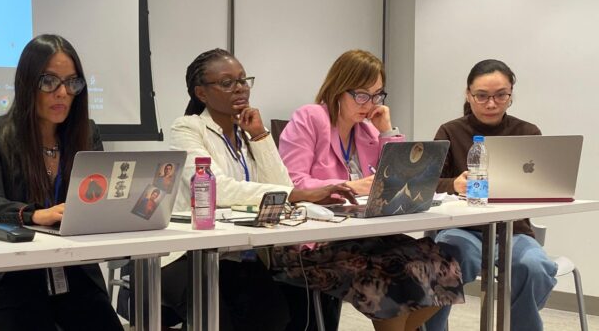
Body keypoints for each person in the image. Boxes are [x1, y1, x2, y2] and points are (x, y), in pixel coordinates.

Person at [153, 48, 355, 331]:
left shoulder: (247, 134)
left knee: (275, 317)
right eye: (227, 83)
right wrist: (296, 194)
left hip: (236, 254)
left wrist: (260, 136)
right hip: (187, 255)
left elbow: (282, 186)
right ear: (201, 94)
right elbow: (218, 189)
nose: (240, 89)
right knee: (219, 321)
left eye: (243, 80)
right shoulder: (187, 129)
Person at [275, 49, 464, 331]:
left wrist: (386, 130)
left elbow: (401, 175)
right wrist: (348, 186)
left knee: (442, 264)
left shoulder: (366, 130)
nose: (369, 103)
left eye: (377, 95)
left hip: (363, 233)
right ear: (339, 88)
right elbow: (291, 182)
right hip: (315, 239)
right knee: (391, 275)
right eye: (361, 95)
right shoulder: (310, 118)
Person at [0, 34, 122, 331]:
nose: (63, 92)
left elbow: (101, 201)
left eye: (72, 82)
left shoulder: (87, 134)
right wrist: (35, 215)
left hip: (74, 273)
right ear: (28, 84)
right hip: (11, 277)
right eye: (50, 81)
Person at [425, 59, 555, 331]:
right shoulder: (450, 131)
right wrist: (453, 184)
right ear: (468, 95)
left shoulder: (527, 133)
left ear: (511, 94)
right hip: (462, 228)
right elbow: (426, 183)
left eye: (501, 95)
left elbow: (544, 187)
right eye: (482, 96)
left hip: (514, 231)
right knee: (443, 259)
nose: (491, 103)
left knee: (534, 266)